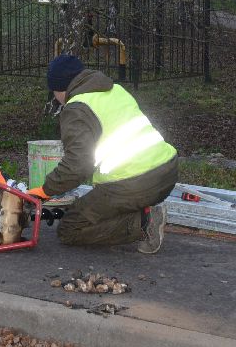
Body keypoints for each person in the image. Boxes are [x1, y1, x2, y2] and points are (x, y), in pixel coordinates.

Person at [27, 54, 178, 253]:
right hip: (167, 171)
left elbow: (77, 165)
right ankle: (140, 212)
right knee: (94, 204)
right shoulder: (115, 89)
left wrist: (45, 191)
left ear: (58, 89)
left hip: (135, 182)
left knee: (70, 228)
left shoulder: (76, 109)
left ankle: (144, 223)